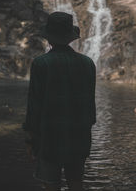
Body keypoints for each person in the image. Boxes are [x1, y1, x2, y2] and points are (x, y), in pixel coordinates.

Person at [23, 11, 96, 191]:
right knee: (76, 182)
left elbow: (34, 106)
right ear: (71, 37)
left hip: (49, 136)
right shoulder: (88, 63)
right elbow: (90, 107)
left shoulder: (41, 63)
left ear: (49, 37)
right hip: (79, 135)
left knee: (51, 184)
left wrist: (31, 140)